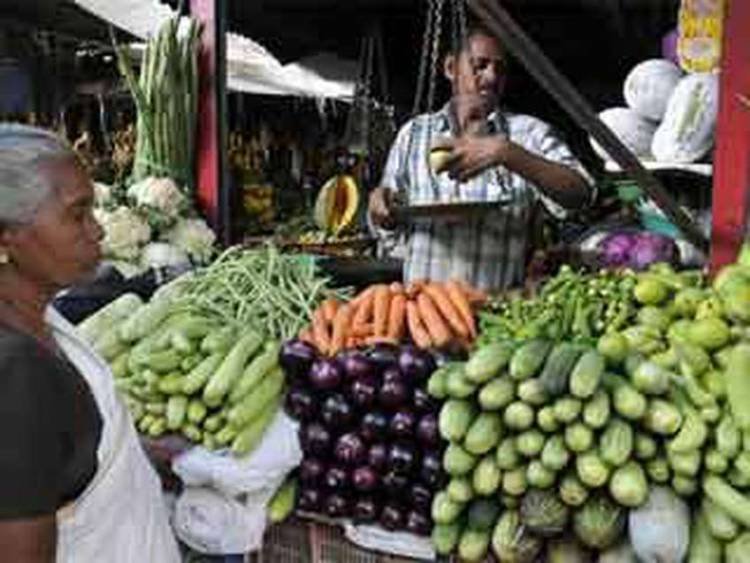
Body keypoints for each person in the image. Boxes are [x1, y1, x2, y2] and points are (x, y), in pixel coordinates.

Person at [0, 124, 180, 562]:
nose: (97, 231)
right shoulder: (16, 372)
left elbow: (55, 460)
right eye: (78, 214)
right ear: (6, 236)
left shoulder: (38, 318)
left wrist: (133, 452)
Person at [369, 25, 593, 291]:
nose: (491, 76)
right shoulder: (414, 134)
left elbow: (581, 194)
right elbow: (389, 227)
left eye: (500, 69)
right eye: (480, 65)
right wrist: (381, 211)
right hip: (423, 311)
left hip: (499, 314)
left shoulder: (529, 134)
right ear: (451, 67)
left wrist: (507, 153)